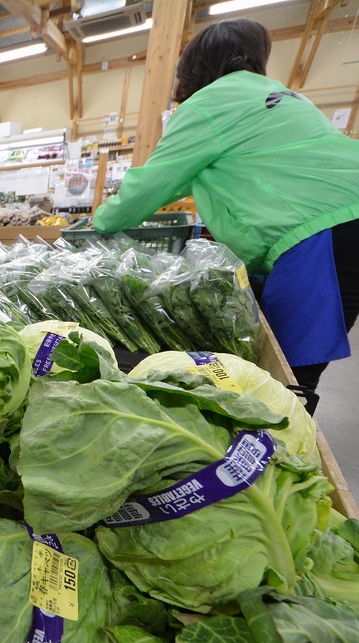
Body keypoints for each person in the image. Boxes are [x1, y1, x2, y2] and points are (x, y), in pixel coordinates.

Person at [93, 18, 359, 392]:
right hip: (345, 214)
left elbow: (151, 183)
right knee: (292, 360)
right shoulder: (281, 93)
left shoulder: (208, 104)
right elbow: (185, 176)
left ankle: (281, 436)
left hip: (322, 230)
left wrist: (100, 222)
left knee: (286, 370)